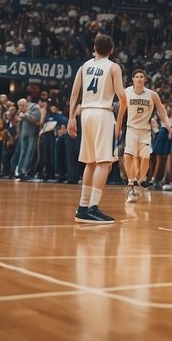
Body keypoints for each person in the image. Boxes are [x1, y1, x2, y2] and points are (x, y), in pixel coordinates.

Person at [67, 33, 128, 223]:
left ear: (94, 47)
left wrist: (71, 118)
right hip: (102, 113)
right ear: (112, 50)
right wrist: (119, 120)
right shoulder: (113, 67)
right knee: (105, 162)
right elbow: (121, 96)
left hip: (85, 113)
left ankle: (83, 207)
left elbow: (74, 93)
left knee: (90, 162)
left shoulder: (85, 66)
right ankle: (92, 207)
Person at [118, 69, 172, 203]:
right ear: (132, 79)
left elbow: (162, 111)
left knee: (145, 158)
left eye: (141, 77)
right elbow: (120, 109)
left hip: (145, 130)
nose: (139, 79)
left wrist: (168, 124)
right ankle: (131, 184)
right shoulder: (126, 92)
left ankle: (140, 179)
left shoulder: (152, 95)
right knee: (129, 155)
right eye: (136, 76)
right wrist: (118, 125)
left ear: (145, 79)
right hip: (131, 129)